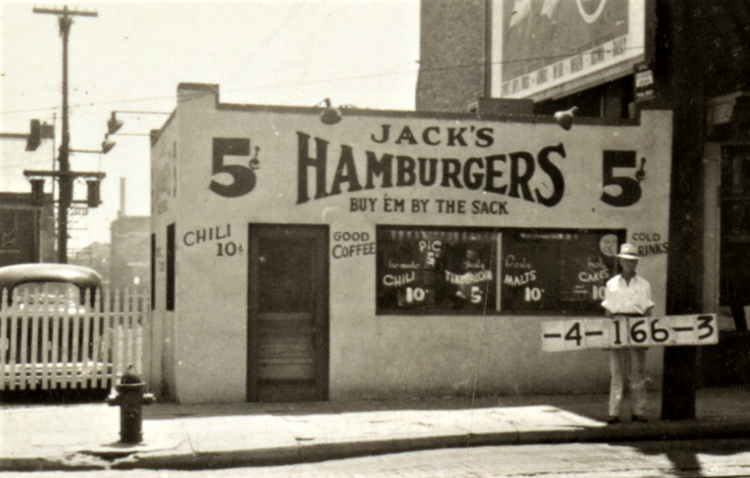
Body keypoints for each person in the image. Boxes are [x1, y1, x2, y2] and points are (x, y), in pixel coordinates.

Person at [600, 243, 655, 424]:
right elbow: (608, 312)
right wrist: (607, 336)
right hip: (617, 326)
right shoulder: (611, 284)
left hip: (637, 327)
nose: (629, 264)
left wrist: (646, 335)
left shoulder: (644, 284)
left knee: (637, 372)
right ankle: (613, 412)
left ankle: (638, 411)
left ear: (636, 263)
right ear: (621, 261)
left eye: (633, 261)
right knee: (617, 372)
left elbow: (648, 311)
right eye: (626, 260)